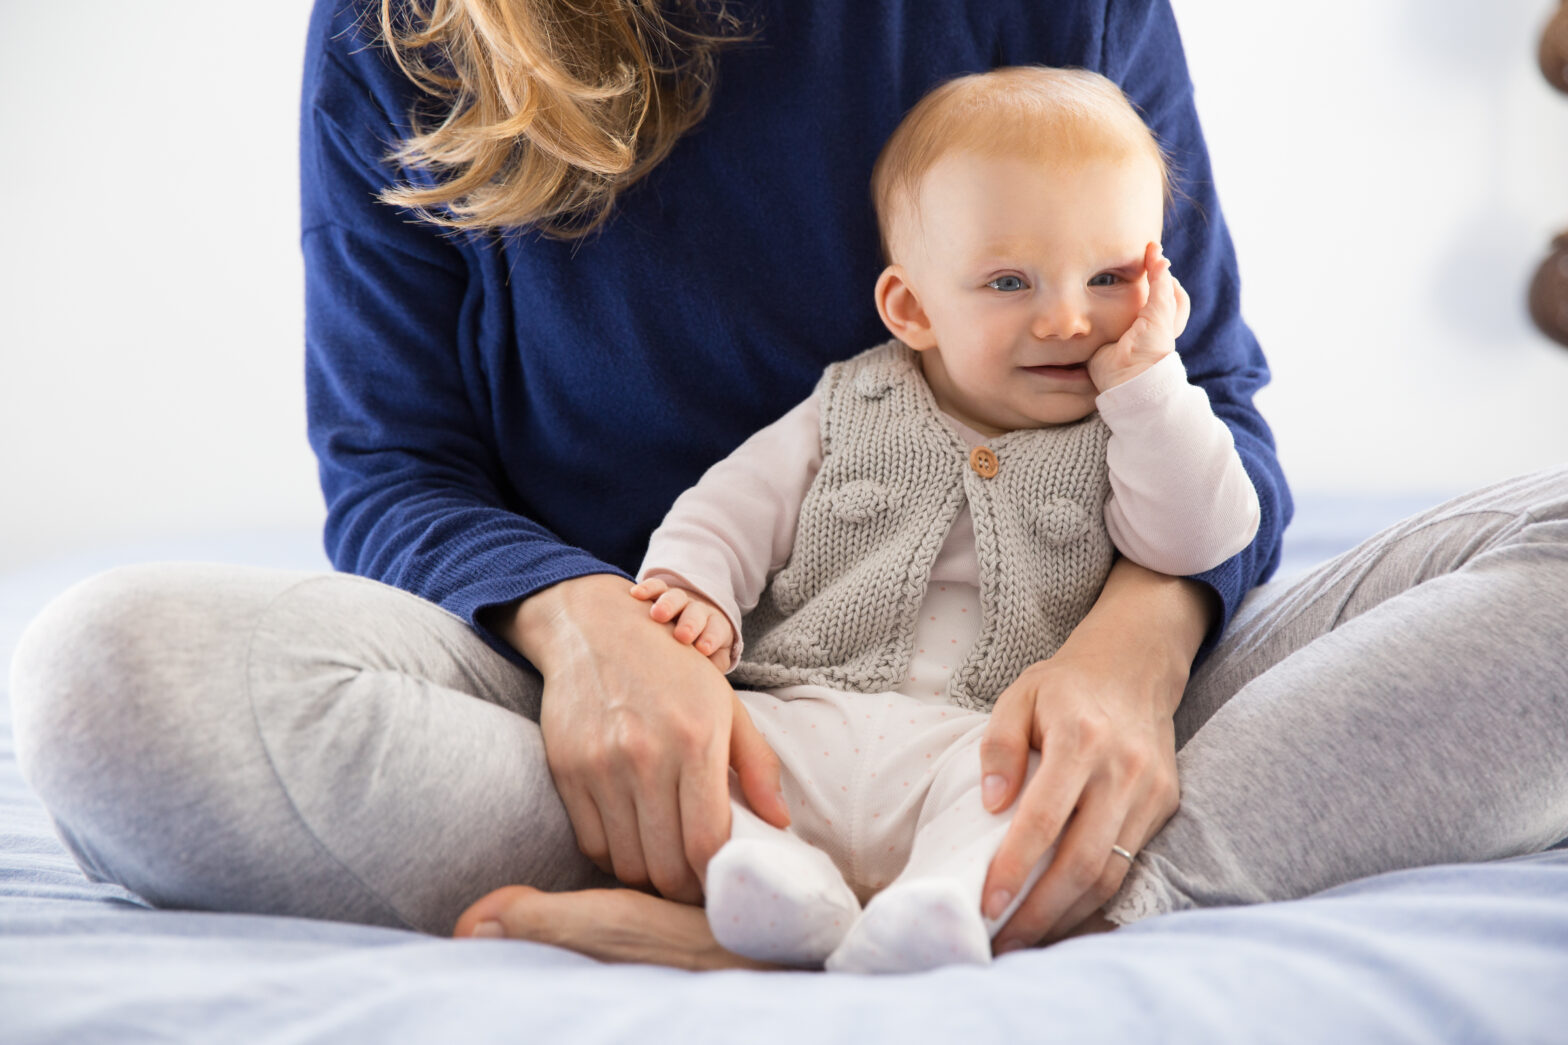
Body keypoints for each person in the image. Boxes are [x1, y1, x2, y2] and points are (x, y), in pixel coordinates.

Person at [9, 0, 1566, 974]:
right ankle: (966, 890)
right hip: (638, 744)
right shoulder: (411, 26)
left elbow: (1210, 402)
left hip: (1037, 718)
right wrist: (591, 631)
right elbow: (394, 472)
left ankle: (828, 908)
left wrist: (1128, 659)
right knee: (108, 681)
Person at [623, 65, 1260, 972]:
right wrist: (697, 588)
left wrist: (1153, 384)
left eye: (1112, 275)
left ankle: (943, 902)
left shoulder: (1130, 428)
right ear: (912, 308)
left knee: (1018, 796)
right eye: (1010, 282)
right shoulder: (851, 405)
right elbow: (732, 505)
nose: (1070, 318)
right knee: (724, 766)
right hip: (799, 707)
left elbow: (1205, 537)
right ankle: (774, 885)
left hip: (981, 737)